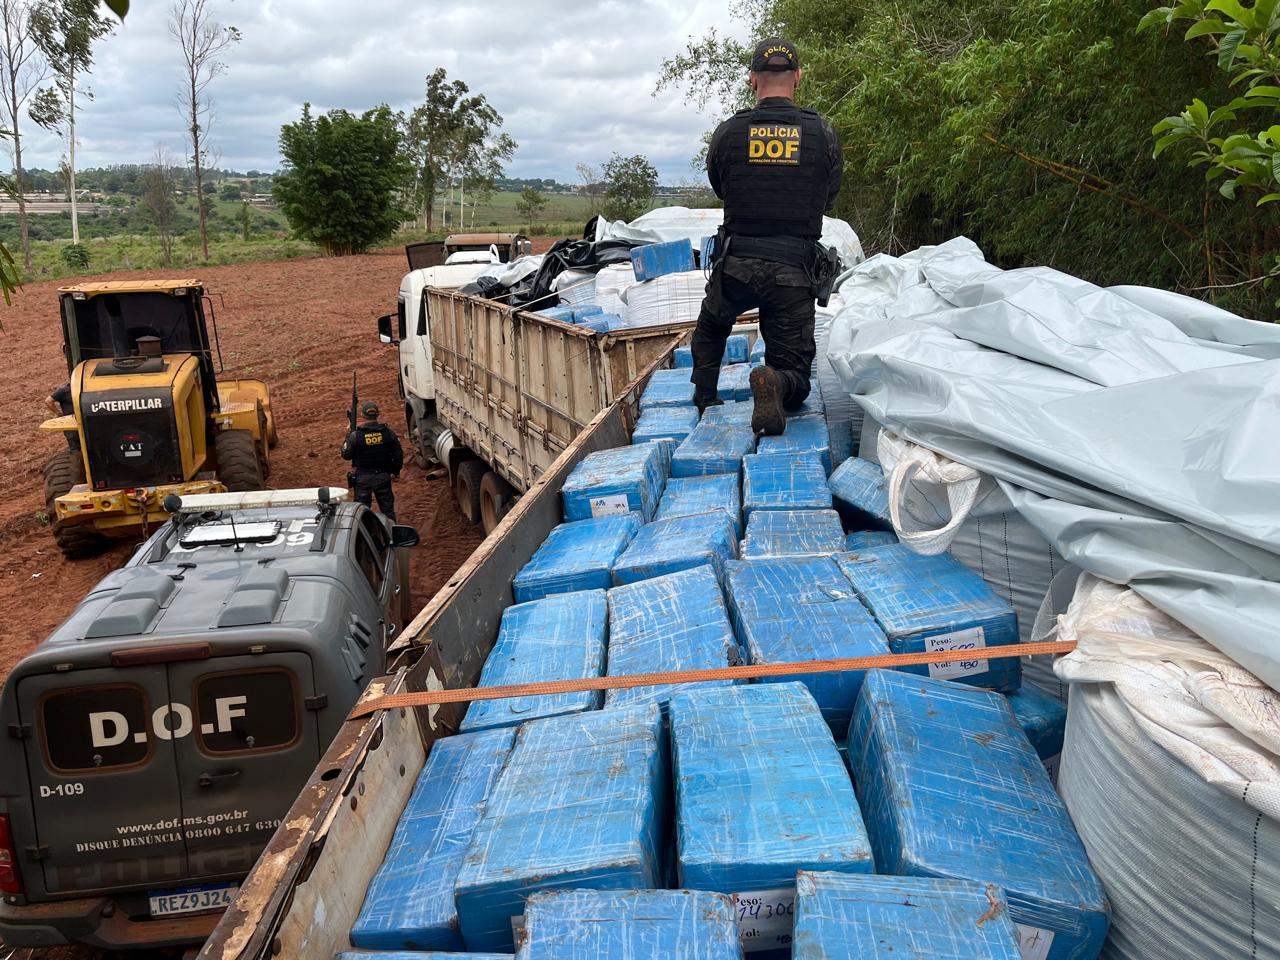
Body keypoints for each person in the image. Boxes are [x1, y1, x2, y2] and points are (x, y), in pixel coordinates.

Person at [690, 36, 844, 436]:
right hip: (792, 273)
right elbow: (828, 195)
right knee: (795, 375)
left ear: (751, 79)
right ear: (798, 78)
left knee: (711, 327)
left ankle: (705, 396)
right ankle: (778, 384)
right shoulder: (822, 133)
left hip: (736, 264)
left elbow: (721, 187)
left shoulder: (728, 133)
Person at [341, 400, 403, 521]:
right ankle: (392, 535)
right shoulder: (388, 433)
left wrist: (348, 436)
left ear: (363, 416)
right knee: (388, 512)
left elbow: (346, 455)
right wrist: (395, 472)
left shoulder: (356, 435)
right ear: (377, 415)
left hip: (363, 479)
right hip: (383, 476)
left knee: (361, 513)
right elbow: (398, 454)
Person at [44, 381, 80, 452]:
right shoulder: (64, 390)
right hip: (71, 423)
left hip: (81, 421)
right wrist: (58, 413)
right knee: (75, 446)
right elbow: (48, 401)